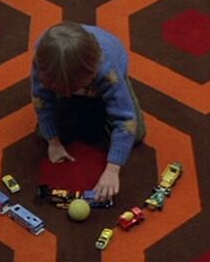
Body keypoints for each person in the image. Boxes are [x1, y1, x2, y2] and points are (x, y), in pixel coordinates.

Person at [31, 21, 146, 201]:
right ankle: (78, 102)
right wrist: (53, 142)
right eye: (62, 90)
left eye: (75, 88)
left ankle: (98, 101)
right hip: (76, 78)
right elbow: (42, 101)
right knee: (43, 134)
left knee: (136, 134)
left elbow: (125, 120)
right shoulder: (43, 61)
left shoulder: (107, 71)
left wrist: (112, 169)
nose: (69, 93)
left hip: (108, 81)